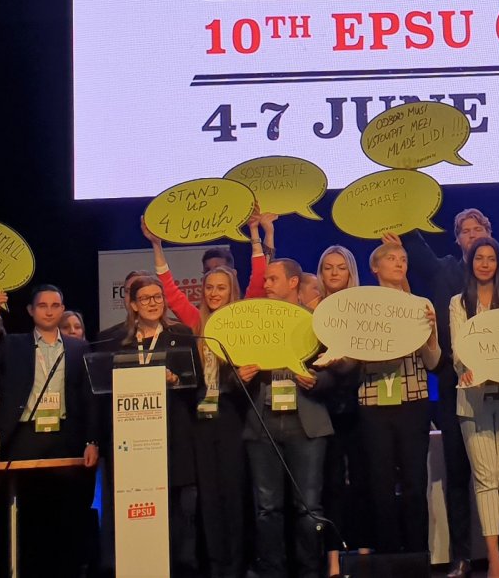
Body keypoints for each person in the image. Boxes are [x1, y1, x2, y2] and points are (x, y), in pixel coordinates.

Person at [393, 209, 499, 578]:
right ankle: (463, 557)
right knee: (460, 475)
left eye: (477, 229)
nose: (471, 235)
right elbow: (416, 245)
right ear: (457, 239)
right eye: (465, 231)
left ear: (490, 234)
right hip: (461, 389)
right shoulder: (445, 274)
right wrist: (402, 209)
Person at [141, 220, 249, 578]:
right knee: (209, 496)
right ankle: (216, 566)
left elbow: (258, 282)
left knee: (233, 493)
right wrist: (157, 247)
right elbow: (171, 291)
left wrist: (260, 240)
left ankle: (237, 566)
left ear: (232, 291)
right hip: (201, 420)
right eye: (209, 288)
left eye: (221, 288)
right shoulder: (195, 322)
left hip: (233, 416)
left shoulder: (244, 323)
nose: (214, 293)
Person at [0, 285, 100, 577]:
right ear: (31, 311)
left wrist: (92, 440)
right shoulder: (15, 344)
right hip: (25, 437)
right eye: (42, 305)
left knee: (66, 514)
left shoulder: (78, 348)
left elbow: (89, 398)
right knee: (29, 513)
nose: (49, 311)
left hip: (65, 437)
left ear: (62, 309)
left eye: (55, 305)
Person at [99, 274, 202, 575]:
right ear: (133, 304)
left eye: (158, 297)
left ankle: (181, 567)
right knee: (137, 508)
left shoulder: (181, 334)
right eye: (145, 298)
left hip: (173, 434)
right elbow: (103, 389)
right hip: (133, 439)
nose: (153, 303)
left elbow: (197, 385)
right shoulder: (115, 340)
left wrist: (177, 379)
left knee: (178, 509)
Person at [238, 258, 333, 578]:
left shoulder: (316, 322)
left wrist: (317, 381)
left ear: (293, 283)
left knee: (309, 508)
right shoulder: (253, 323)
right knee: (267, 509)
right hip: (262, 423)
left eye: (272, 279)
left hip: (306, 423)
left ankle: (310, 572)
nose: (265, 285)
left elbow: (339, 370)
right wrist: (241, 376)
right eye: (265, 279)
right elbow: (231, 372)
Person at [347, 242, 440, 557]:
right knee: (381, 484)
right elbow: (355, 357)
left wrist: (431, 336)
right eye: (391, 258)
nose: (399, 263)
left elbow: (432, 361)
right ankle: (388, 557)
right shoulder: (362, 307)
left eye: (403, 259)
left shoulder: (420, 305)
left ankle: (417, 556)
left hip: (414, 399)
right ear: (375, 267)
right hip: (374, 401)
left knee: (415, 482)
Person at [449, 238, 499, 578]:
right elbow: (458, 350)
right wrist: (469, 367)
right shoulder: (458, 302)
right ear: (470, 263)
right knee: (485, 479)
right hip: (474, 399)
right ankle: (493, 559)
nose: (485, 264)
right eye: (479, 258)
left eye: (491, 258)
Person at [314, 244, 371, 577]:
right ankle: (333, 561)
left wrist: (341, 361)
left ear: (351, 272)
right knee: (331, 485)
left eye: (340, 267)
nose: (334, 273)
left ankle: (364, 556)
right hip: (325, 409)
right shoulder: (313, 314)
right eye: (328, 267)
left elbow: (363, 359)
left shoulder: (363, 311)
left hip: (361, 408)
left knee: (363, 482)